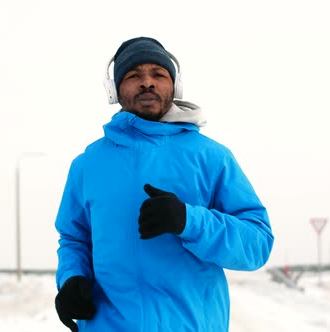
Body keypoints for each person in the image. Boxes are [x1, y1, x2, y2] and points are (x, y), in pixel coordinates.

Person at [54, 36, 274, 332]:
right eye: (134, 75)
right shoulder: (87, 165)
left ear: (175, 86)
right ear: (115, 90)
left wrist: (189, 220)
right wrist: (71, 279)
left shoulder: (211, 157)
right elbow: (74, 239)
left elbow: (257, 243)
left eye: (158, 74)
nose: (147, 83)